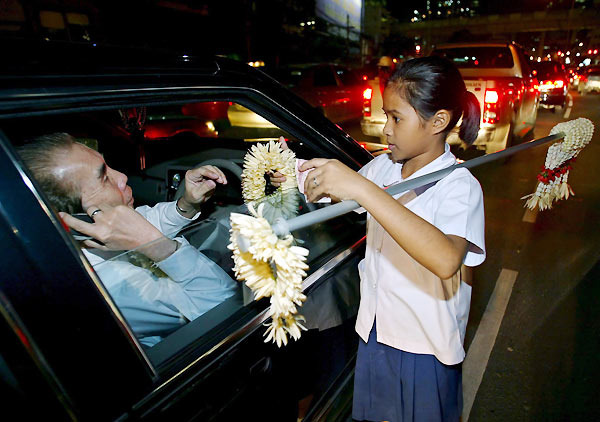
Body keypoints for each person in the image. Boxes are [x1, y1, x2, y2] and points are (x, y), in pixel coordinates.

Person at [274, 56, 485, 421]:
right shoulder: (385, 165)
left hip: (424, 348)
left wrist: (364, 190)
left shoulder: (459, 186)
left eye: (396, 117)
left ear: (439, 121)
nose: (386, 129)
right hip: (375, 333)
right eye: (385, 114)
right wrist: (295, 173)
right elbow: (338, 192)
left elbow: (447, 258)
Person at [17, 133, 238, 347]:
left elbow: (145, 219)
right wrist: (159, 246)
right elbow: (227, 303)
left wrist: (186, 204)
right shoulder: (111, 287)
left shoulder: (91, 237)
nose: (122, 177)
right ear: (78, 219)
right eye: (104, 177)